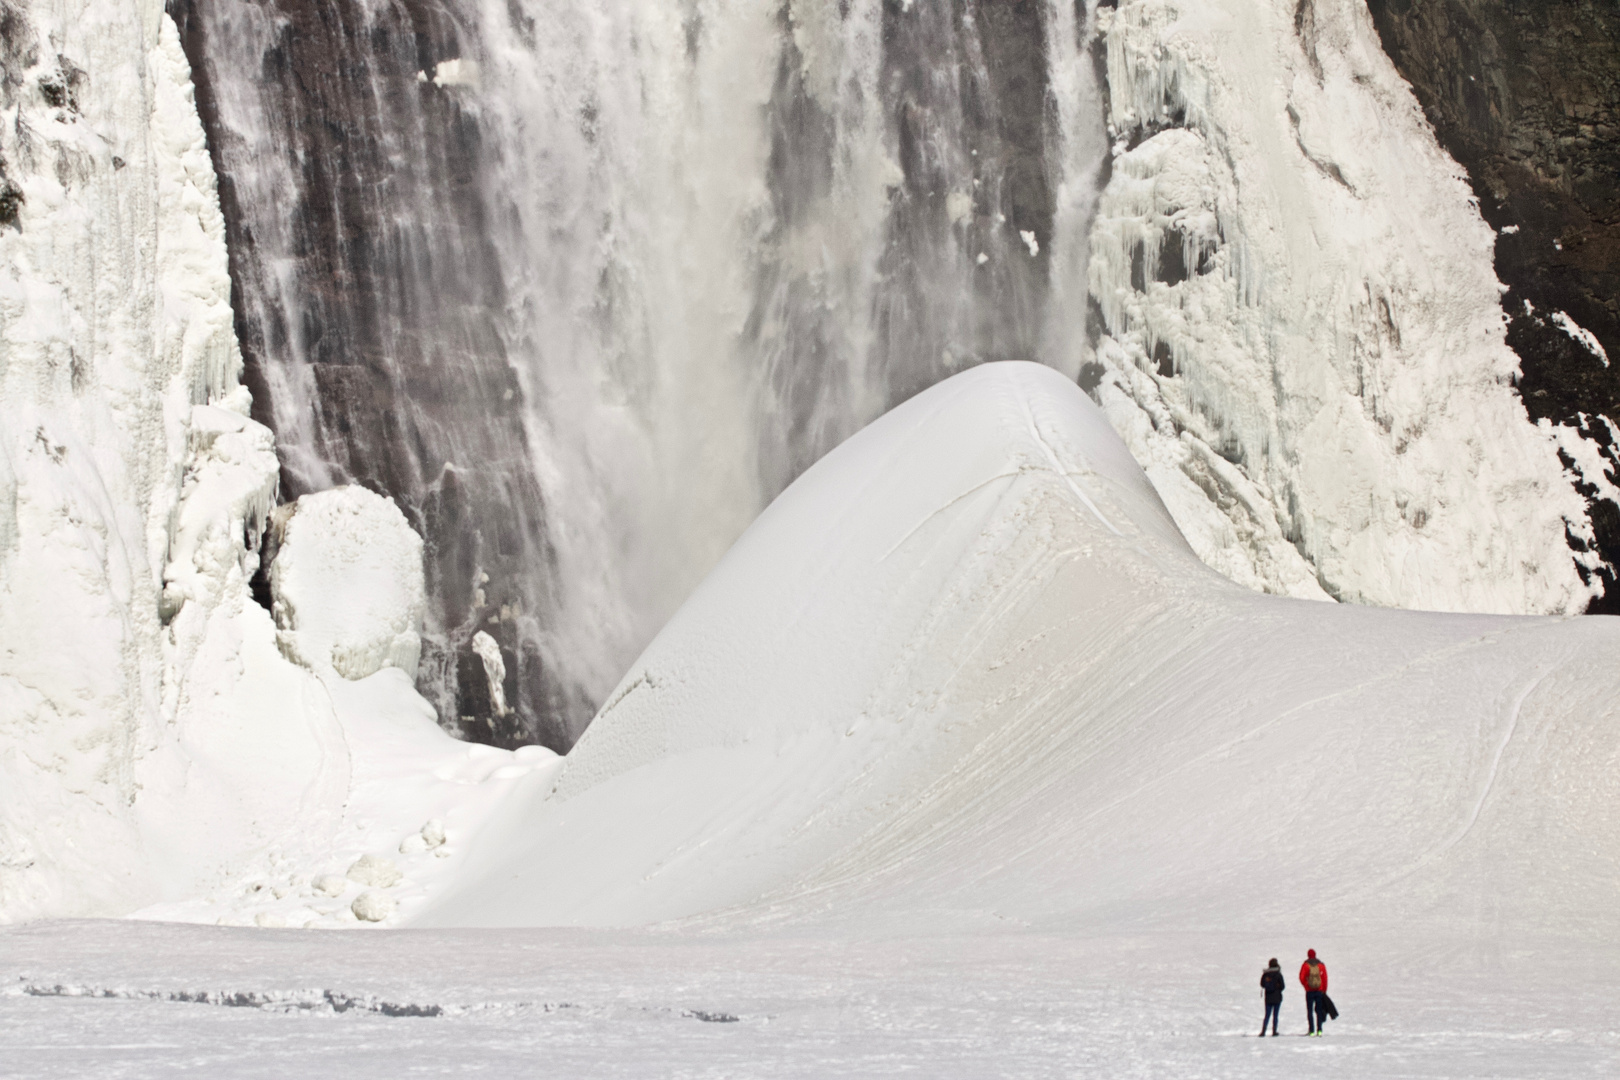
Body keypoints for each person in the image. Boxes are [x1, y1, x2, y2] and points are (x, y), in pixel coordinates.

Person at [1299, 949, 1329, 1035]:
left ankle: (1311, 1030)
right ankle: (1319, 1030)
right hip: (1319, 990)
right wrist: (1324, 989)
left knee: (1310, 1011)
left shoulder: (1305, 965)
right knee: (1319, 1010)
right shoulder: (1321, 965)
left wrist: (1306, 985)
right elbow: (1324, 978)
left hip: (1309, 991)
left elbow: (1301, 977)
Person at [1259, 958, 1285, 1036]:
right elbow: (1283, 986)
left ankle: (1263, 1031)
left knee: (1267, 1015)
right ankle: (1274, 1031)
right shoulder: (1278, 974)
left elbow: (1262, 984)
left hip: (1268, 998)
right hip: (1277, 997)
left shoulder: (1266, 974)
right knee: (1275, 1015)